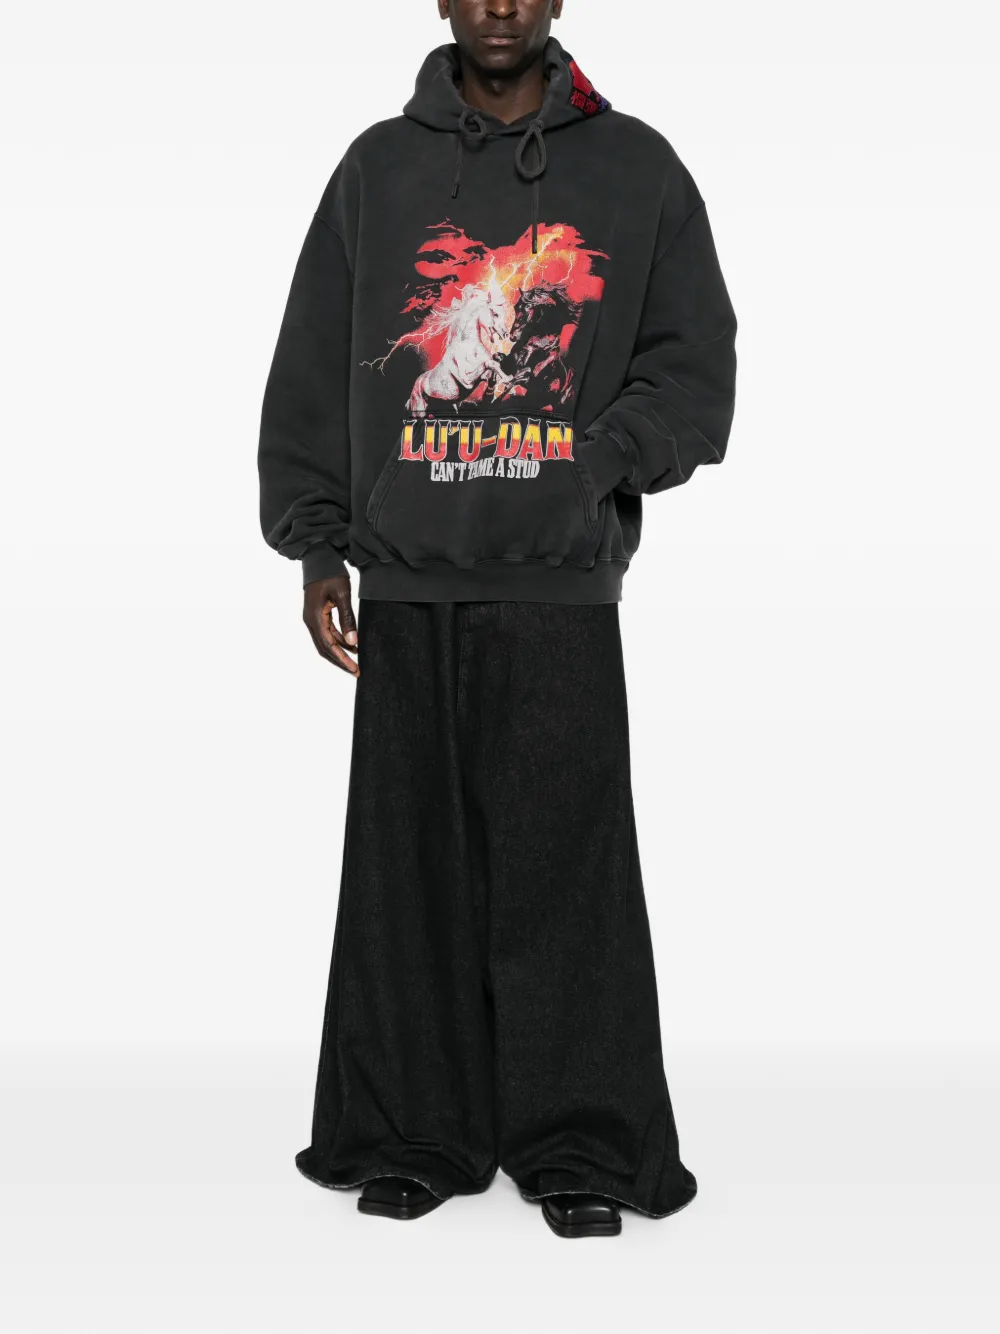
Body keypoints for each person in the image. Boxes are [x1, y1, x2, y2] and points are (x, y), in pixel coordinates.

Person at [258, 0, 736, 1239]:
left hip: (556, 579)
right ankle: (411, 1129)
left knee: (565, 876)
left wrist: (598, 459)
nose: (501, 5)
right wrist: (315, 544)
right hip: (406, 573)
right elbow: (310, 363)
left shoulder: (634, 166)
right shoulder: (377, 169)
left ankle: (579, 1141)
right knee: (406, 875)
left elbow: (695, 366)